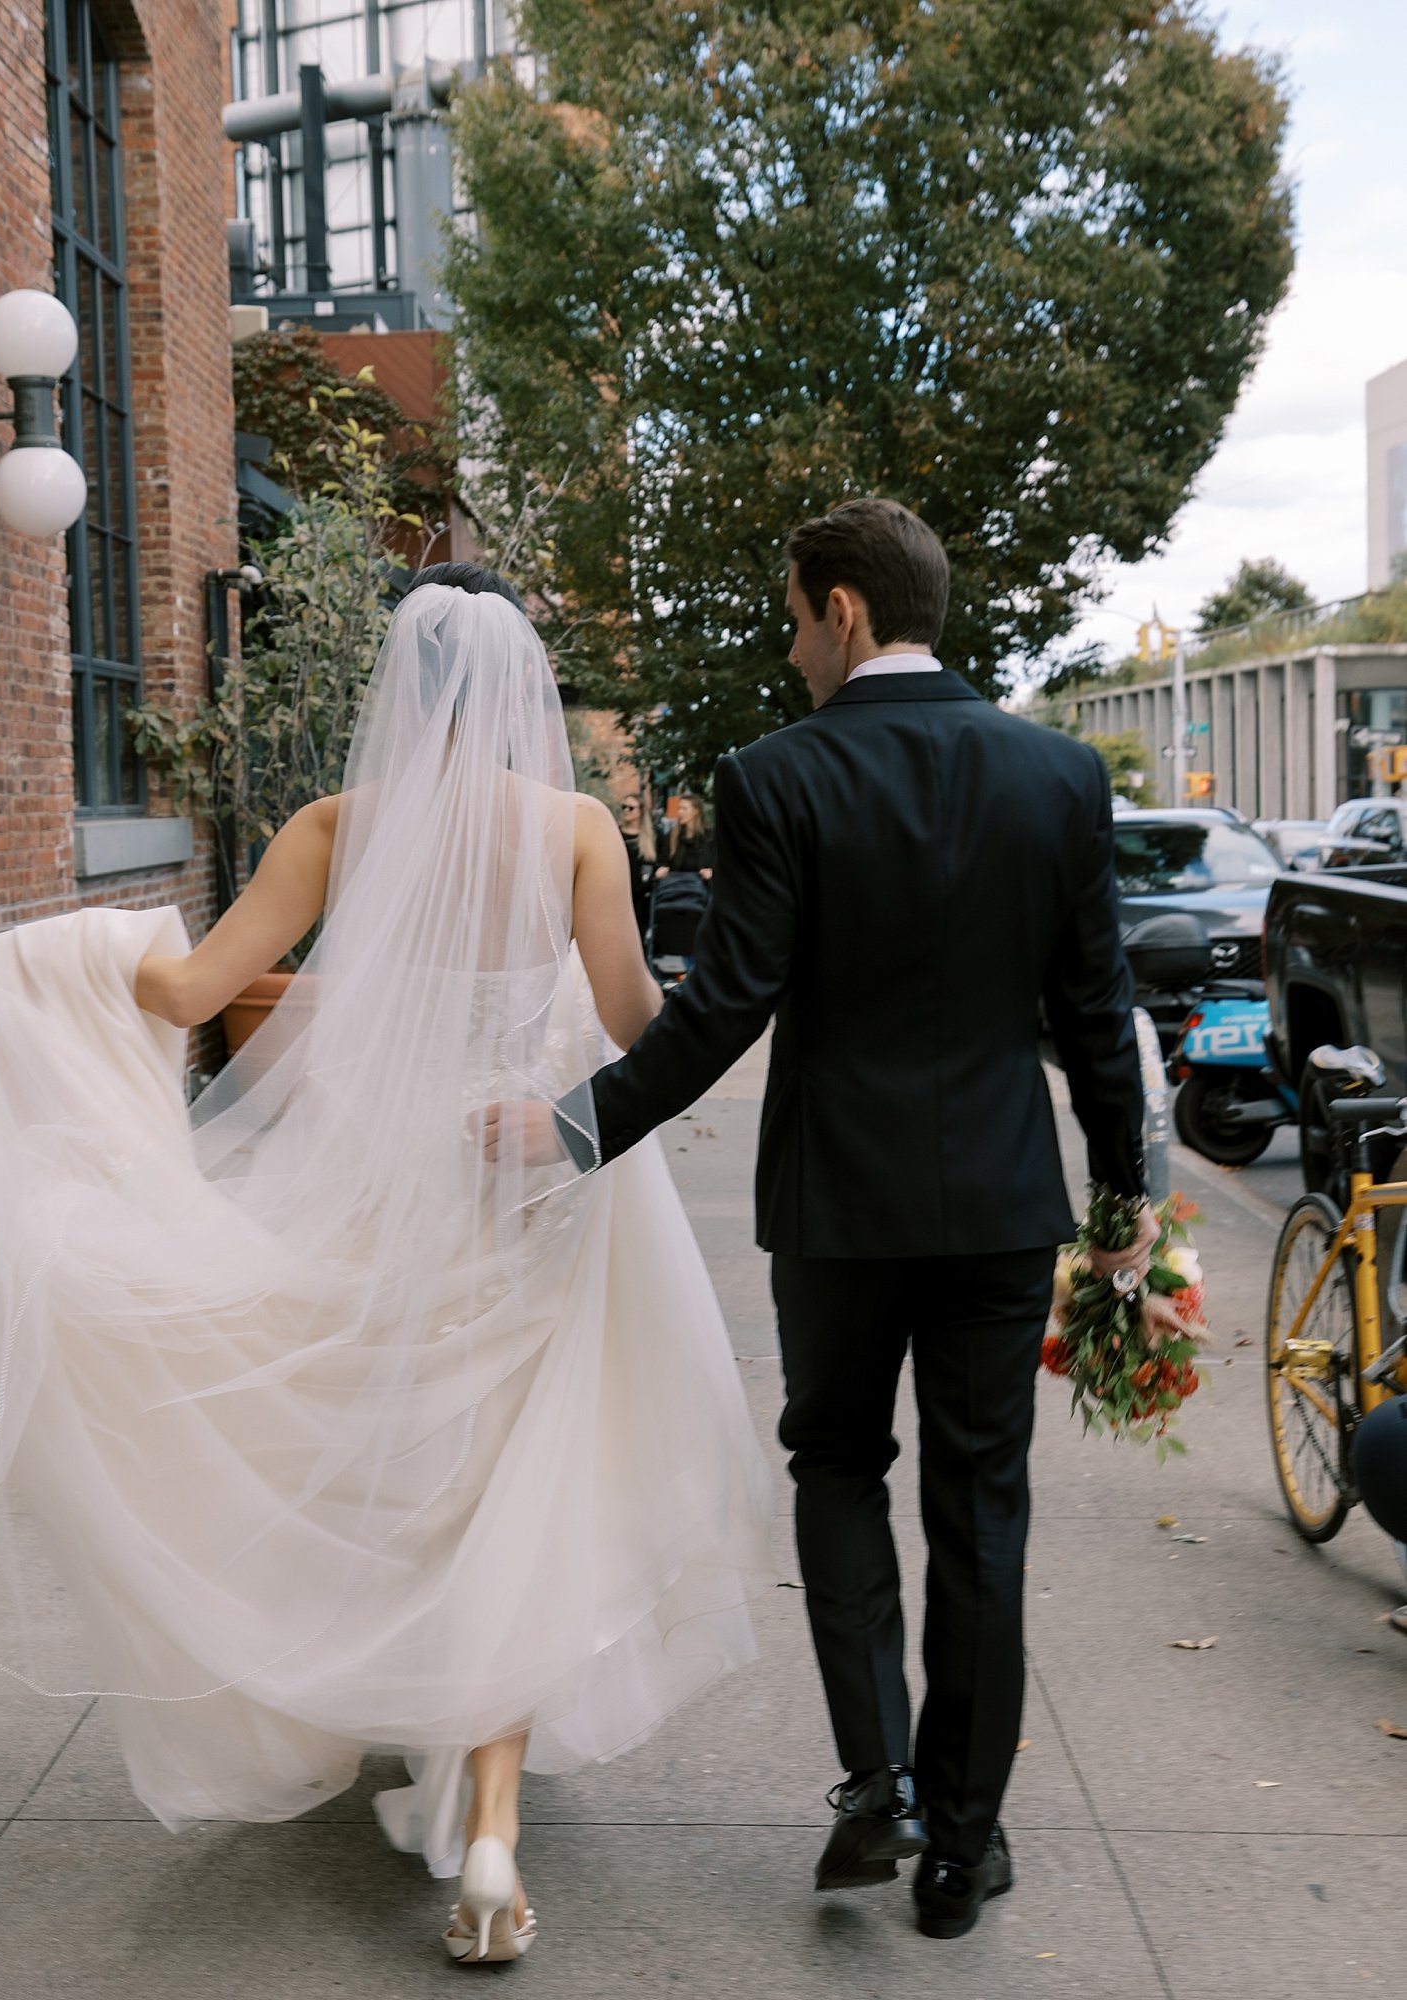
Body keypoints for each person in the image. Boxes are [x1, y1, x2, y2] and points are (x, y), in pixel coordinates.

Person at [0, 564, 772, 1967]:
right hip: (531, 1201)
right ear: (516, 697)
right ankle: (490, 1833)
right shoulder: (573, 832)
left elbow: (190, 994)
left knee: (410, 1492)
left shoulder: (333, 828)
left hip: (379, 1203)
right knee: (518, 1499)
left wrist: (55, 960)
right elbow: (633, 1025)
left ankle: (417, 1716)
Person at [486, 498, 1150, 1941]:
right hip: (995, 1209)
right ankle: (964, 1852)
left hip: (838, 1208)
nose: (790, 648)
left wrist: (569, 1127)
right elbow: (1099, 1014)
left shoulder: (776, 778)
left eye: (794, 616)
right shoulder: (1056, 776)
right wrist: (1123, 1205)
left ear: (846, 609)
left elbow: (727, 1006)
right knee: (983, 1511)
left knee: (837, 1467)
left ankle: (879, 1787)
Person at [618, 792, 659, 932]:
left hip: (641, 897)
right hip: (618, 892)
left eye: (631, 807)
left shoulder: (650, 837)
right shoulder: (615, 832)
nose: (626, 811)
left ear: (641, 811)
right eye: (624, 807)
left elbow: (656, 864)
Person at [656, 793, 715, 884]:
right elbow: (663, 861)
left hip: (702, 889)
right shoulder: (672, 836)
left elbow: (718, 863)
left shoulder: (709, 836)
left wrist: (711, 874)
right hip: (676, 887)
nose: (679, 812)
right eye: (679, 808)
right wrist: (661, 870)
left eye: (684, 808)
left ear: (696, 811)